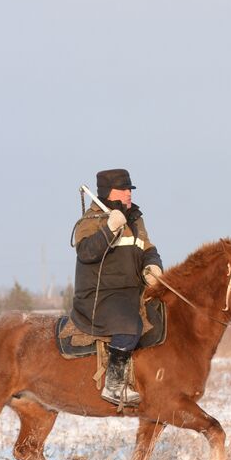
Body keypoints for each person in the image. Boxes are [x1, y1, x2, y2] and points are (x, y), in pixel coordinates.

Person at [70, 168, 164, 406]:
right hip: (98, 297)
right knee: (130, 323)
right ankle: (114, 386)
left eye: (129, 190)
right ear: (107, 193)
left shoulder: (135, 219)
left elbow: (148, 249)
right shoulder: (89, 223)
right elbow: (86, 252)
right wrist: (109, 229)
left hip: (131, 293)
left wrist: (152, 266)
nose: (128, 194)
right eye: (123, 190)